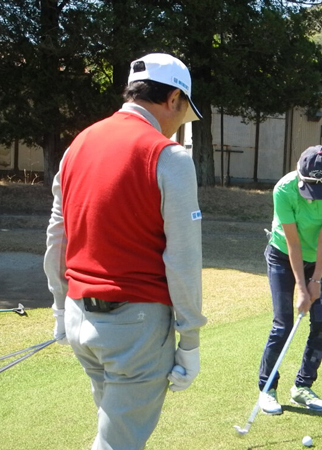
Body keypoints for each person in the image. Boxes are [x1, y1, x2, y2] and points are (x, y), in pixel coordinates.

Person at [43, 53, 207, 450]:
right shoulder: (169, 157)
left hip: (83, 321)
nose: (177, 128)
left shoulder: (77, 145)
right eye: (183, 114)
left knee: (112, 432)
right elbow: (183, 258)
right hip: (136, 329)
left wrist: (61, 307)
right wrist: (190, 342)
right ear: (172, 100)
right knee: (117, 444)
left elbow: (56, 236)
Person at [257, 145, 322, 415]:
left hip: (320, 258)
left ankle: (302, 387)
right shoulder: (283, 190)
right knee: (283, 324)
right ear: (300, 176)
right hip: (282, 255)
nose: (314, 198)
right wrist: (302, 286)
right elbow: (293, 243)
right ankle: (267, 388)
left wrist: (317, 278)